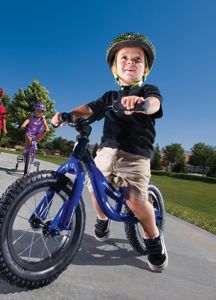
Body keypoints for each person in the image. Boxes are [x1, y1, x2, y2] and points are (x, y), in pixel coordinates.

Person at [51, 32, 168, 272]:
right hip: (106, 151)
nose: (131, 62)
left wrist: (143, 104)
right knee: (95, 189)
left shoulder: (148, 90)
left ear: (145, 69)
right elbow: (89, 109)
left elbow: (155, 104)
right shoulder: (110, 96)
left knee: (134, 200)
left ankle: (153, 237)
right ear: (115, 68)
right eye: (124, 57)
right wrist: (68, 115)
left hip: (134, 155)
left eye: (138, 59)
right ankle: (102, 219)